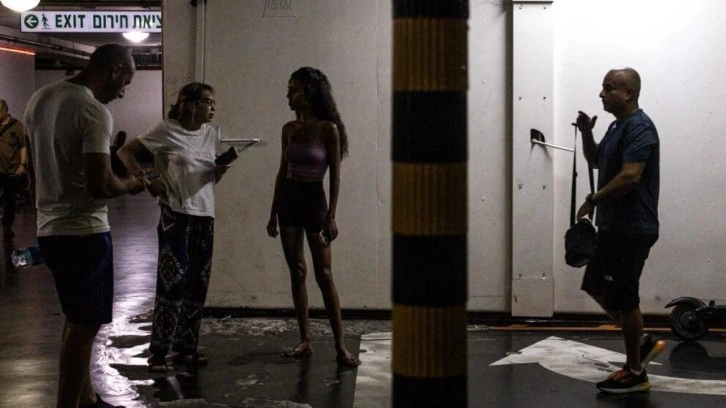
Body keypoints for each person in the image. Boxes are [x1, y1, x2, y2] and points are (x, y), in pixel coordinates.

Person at [24, 44, 144, 408]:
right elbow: (101, 185)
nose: (123, 92)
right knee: (84, 325)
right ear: (114, 70)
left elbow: (32, 174)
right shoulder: (93, 110)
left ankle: (87, 398)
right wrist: (132, 184)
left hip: (50, 229)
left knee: (77, 318)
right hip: (85, 233)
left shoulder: (39, 99)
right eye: (126, 81)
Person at [117, 82, 230, 372]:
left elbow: (210, 178)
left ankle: (186, 347)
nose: (213, 107)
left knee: (197, 283)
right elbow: (125, 152)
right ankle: (158, 352)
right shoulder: (166, 130)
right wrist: (145, 179)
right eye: (208, 101)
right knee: (172, 283)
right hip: (175, 216)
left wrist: (218, 172)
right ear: (190, 104)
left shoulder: (211, 134)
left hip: (204, 215)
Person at [575, 67, 663, 394]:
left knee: (625, 300)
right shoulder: (616, 126)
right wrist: (586, 133)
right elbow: (596, 160)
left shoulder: (640, 127)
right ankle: (640, 340)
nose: (602, 93)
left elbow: (630, 176)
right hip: (613, 227)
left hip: (632, 228)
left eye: (609, 88)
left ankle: (635, 372)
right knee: (595, 284)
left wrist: (593, 199)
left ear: (629, 94)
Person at [266, 67, 360, 367]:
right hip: (289, 202)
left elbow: (335, 175)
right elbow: (282, 172)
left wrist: (331, 215)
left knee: (324, 274)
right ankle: (305, 339)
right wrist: (272, 212)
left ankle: (340, 345)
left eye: (293, 90)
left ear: (308, 93)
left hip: (314, 202)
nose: (288, 95)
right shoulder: (288, 129)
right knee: (297, 271)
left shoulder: (328, 129)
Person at [0, 98, 29, 237]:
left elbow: (23, 146)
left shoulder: (17, 126)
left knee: (9, 200)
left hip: (10, 169)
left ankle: (7, 226)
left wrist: (23, 164)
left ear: (5, 110)